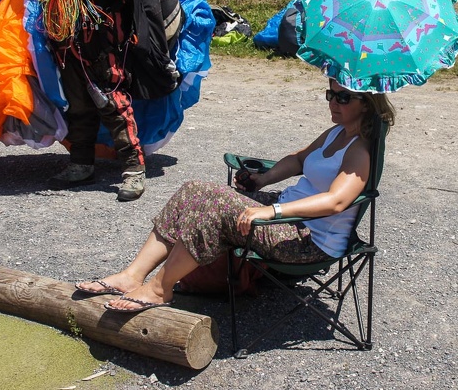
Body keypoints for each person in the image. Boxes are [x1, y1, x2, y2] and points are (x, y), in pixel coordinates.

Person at [75, 79, 396, 312]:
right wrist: (261, 179)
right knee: (194, 191)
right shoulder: (337, 132)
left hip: (309, 241)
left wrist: (270, 213)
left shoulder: (361, 151)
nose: (333, 103)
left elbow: (337, 202)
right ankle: (133, 275)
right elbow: (299, 160)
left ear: (366, 103)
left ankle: (161, 289)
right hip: (290, 219)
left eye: (343, 97)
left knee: (214, 208)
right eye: (330, 93)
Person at [32, 0, 148, 201]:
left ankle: (133, 170)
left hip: (103, 35)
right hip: (65, 35)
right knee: (78, 104)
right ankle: (81, 164)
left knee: (111, 100)